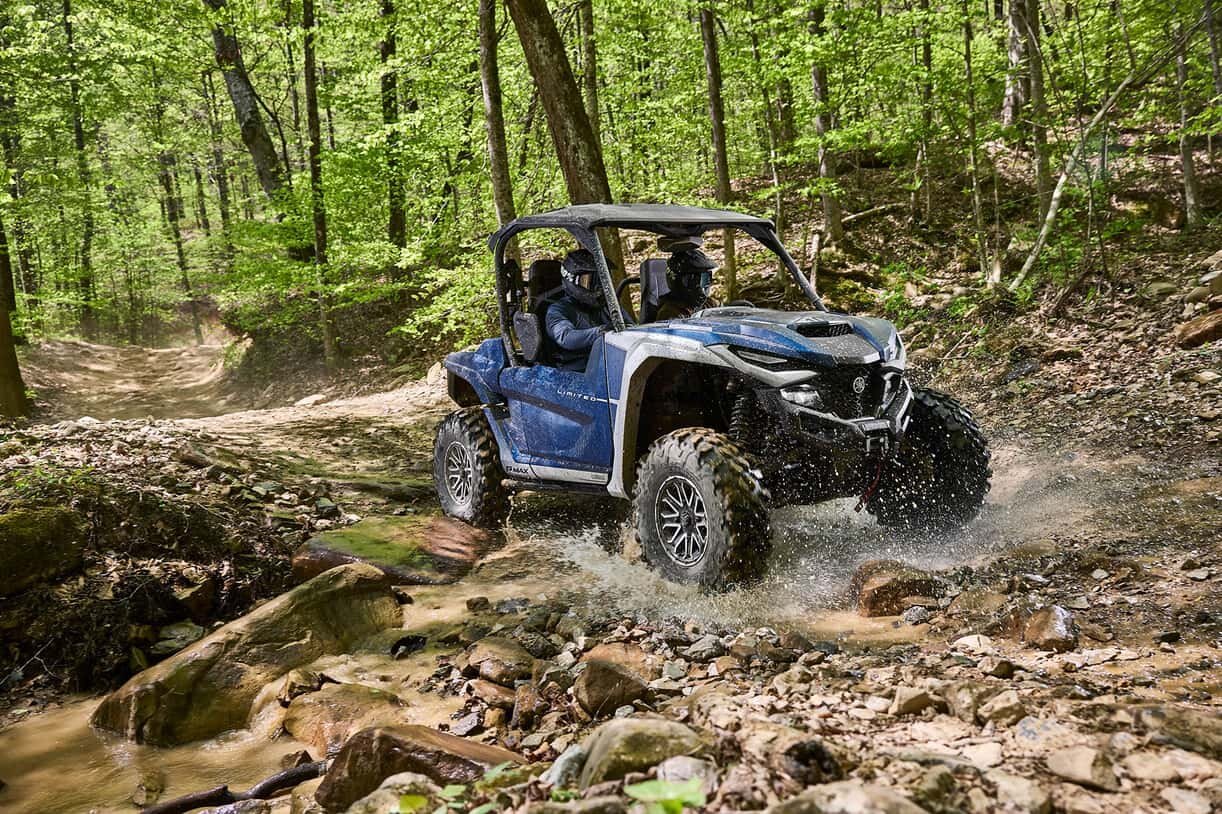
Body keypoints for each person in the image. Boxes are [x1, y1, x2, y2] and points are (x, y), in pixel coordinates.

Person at [546, 249, 612, 371]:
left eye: (600, 280)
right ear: (572, 280)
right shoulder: (558, 310)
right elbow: (565, 337)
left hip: (607, 365)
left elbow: (630, 327)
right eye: (588, 282)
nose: (597, 287)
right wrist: (600, 332)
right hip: (576, 373)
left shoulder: (606, 306)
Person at [654, 238, 717, 321]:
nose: (703, 285)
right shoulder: (670, 314)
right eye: (695, 279)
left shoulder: (709, 304)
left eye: (706, 278)